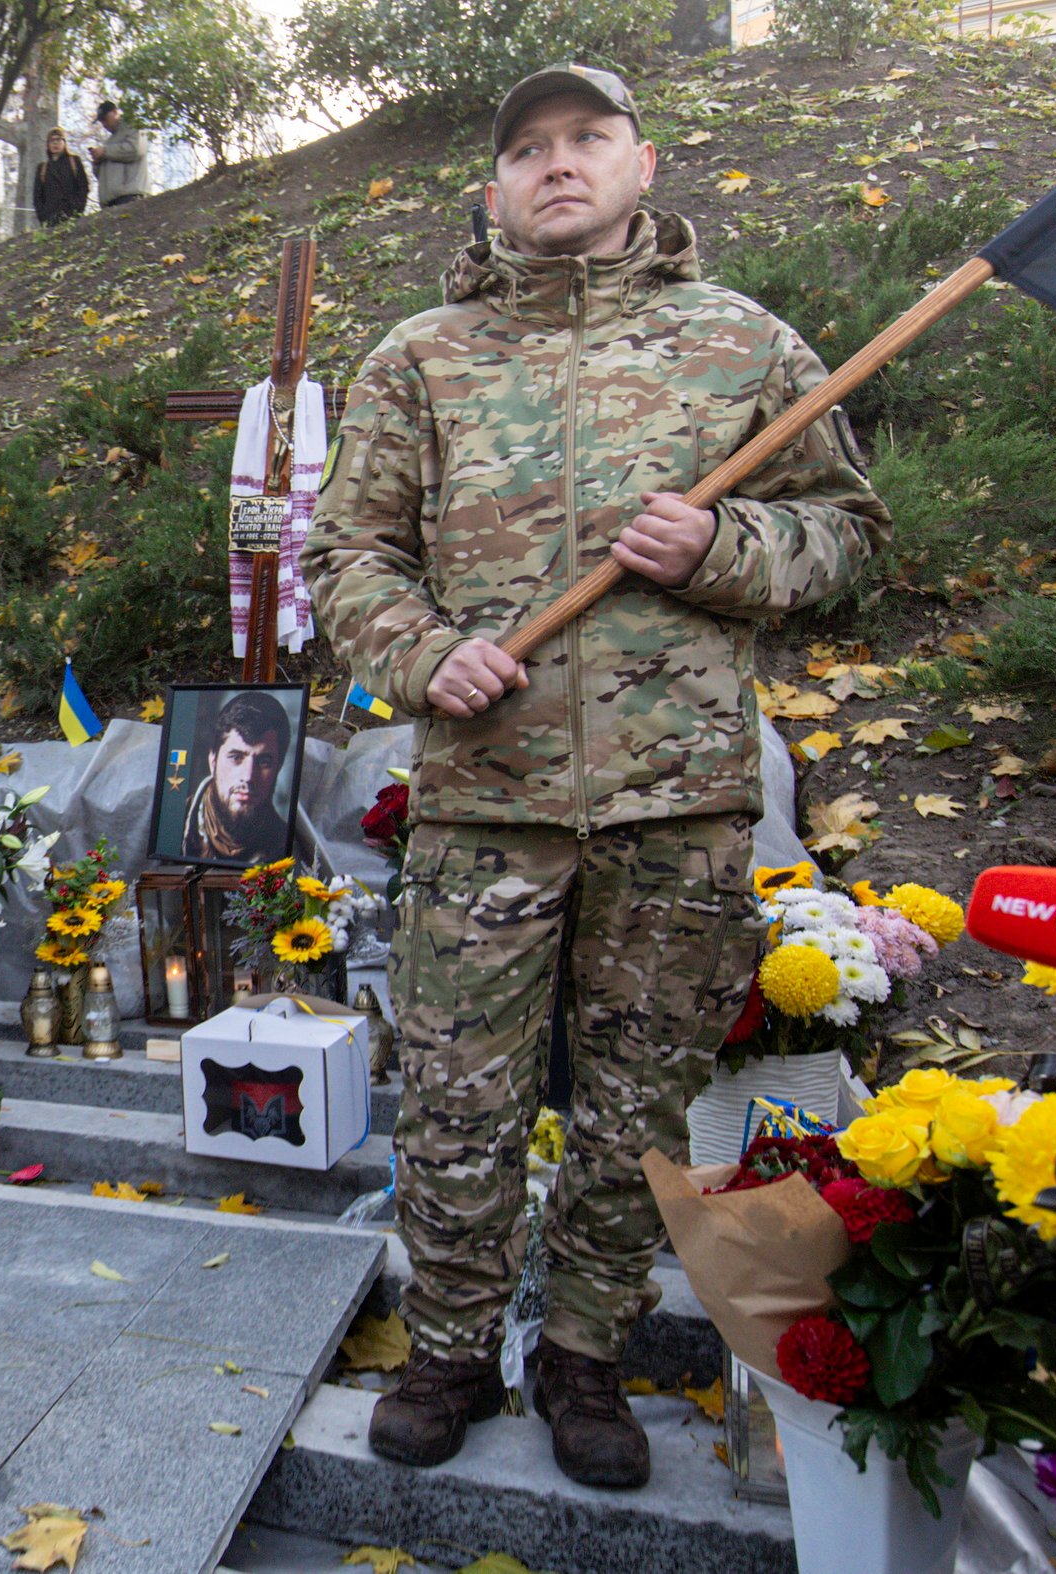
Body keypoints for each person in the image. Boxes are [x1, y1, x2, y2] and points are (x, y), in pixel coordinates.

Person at [302, 65, 890, 1490]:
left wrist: (727, 550)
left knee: (636, 1106)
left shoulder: (742, 344)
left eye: (587, 139)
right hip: (483, 801)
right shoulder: (422, 357)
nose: (557, 165)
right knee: (458, 1096)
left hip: (675, 803)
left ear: (641, 162)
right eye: (527, 149)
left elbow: (851, 535)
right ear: (493, 186)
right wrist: (422, 650)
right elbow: (343, 557)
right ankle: (447, 1341)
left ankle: (585, 1353)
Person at [178, 691, 291, 863]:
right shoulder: (173, 826)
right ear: (213, 760)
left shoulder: (284, 844)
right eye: (236, 757)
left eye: (263, 762)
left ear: (279, 767)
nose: (248, 777)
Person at [88, 102, 150, 210]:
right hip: (110, 201)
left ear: (115, 113)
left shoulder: (134, 127)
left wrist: (105, 152)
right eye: (101, 121)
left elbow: (136, 149)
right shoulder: (109, 141)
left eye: (105, 119)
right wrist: (97, 162)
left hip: (130, 195)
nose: (104, 124)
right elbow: (101, 176)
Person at [33, 128, 89, 227]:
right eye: (52, 140)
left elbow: (83, 187)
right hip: (50, 217)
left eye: (58, 140)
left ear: (64, 142)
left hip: (72, 215)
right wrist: (43, 216)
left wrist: (78, 208)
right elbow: (37, 196)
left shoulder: (74, 162)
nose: (55, 143)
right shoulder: (43, 168)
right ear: (47, 144)